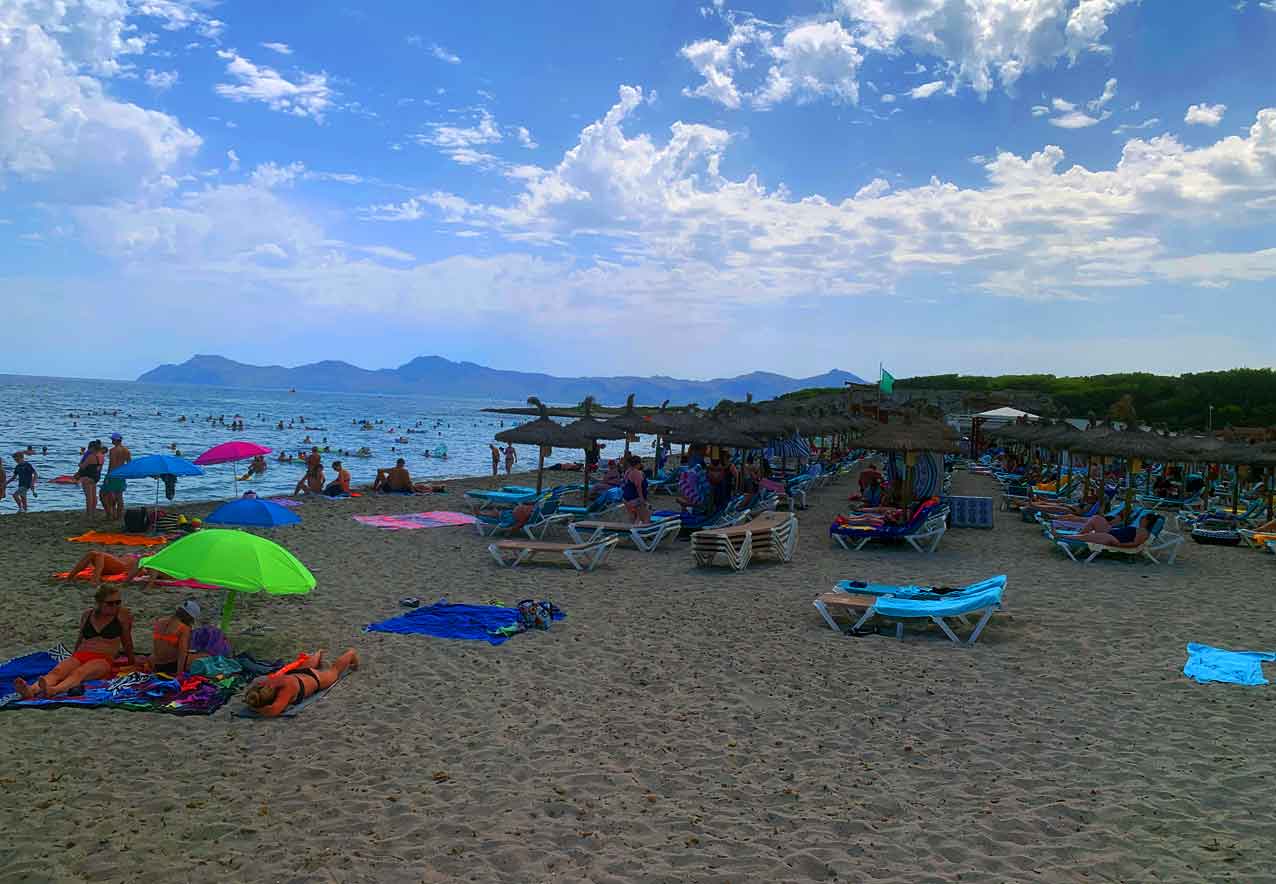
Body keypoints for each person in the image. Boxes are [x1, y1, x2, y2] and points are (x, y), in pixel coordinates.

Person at [13, 585, 137, 699]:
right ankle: (31, 690)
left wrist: (132, 661)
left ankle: (54, 690)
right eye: (110, 603)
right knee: (57, 672)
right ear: (99, 603)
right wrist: (73, 656)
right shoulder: (87, 614)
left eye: (118, 602)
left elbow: (126, 640)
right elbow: (80, 638)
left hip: (103, 658)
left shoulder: (122, 615)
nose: (115, 606)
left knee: (79, 673)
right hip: (81, 654)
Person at [241, 648, 360, 718]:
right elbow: (253, 693)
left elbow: (273, 710)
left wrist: (255, 708)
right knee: (309, 665)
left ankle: (350, 653)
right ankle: (318, 653)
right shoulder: (265, 682)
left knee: (334, 671)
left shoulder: (286, 691)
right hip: (298, 675)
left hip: (314, 679)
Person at [150, 600, 205, 677]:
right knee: (202, 656)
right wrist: (179, 674)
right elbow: (182, 653)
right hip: (171, 667)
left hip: (156, 665)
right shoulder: (184, 628)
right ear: (189, 617)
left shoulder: (159, 621)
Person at [1070, 512, 1158, 548]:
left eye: (1142, 517)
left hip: (1112, 537)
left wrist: (1118, 544)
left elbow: (1135, 544)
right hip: (1111, 532)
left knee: (1096, 518)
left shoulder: (1143, 531)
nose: (1140, 519)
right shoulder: (1140, 529)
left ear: (1147, 521)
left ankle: (1077, 537)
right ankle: (1079, 535)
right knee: (1096, 518)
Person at [101, 433, 131, 520]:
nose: (111, 441)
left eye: (112, 439)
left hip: (113, 474)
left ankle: (110, 514)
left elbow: (112, 464)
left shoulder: (113, 450)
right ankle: (119, 515)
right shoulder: (126, 450)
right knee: (119, 496)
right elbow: (129, 464)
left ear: (115, 440)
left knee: (105, 494)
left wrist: (108, 476)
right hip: (122, 474)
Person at [75, 440, 104, 516]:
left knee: (89, 497)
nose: (88, 450)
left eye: (89, 448)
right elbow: (99, 468)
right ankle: (93, 512)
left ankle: (89, 513)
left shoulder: (91, 456)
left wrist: (79, 464)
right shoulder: (101, 455)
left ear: (92, 448)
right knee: (94, 496)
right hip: (96, 477)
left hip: (87, 477)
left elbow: (83, 466)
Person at [622, 454, 650, 523]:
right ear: (638, 463)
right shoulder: (636, 473)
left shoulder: (627, 471)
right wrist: (642, 499)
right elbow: (638, 487)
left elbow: (624, 484)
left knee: (634, 516)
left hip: (627, 498)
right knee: (645, 517)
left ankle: (632, 531)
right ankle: (642, 532)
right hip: (635, 499)